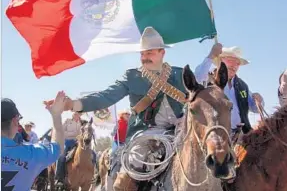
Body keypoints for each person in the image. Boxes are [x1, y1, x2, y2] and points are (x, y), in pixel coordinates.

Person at [44, 27, 187, 191]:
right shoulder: (132, 76)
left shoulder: (181, 74)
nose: (144, 58)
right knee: (133, 166)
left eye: (150, 53)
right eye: (142, 54)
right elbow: (105, 97)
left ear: (162, 53)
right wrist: (72, 104)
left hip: (179, 131)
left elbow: (202, 96)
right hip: (147, 133)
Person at [195, 44, 264, 134]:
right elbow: (197, 78)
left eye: (237, 63)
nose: (234, 66)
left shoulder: (242, 86)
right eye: (231, 61)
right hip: (215, 135)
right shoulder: (209, 79)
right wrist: (211, 55)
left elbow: (255, 109)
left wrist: (259, 101)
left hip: (241, 136)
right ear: (220, 60)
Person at [1, 92, 65, 191]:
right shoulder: (32, 153)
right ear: (14, 121)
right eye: (19, 121)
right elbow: (58, 147)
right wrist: (56, 115)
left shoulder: (32, 138)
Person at [54, 112, 82, 185]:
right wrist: (72, 134)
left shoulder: (81, 123)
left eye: (78, 114)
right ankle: (59, 178)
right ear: (73, 114)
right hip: (66, 141)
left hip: (77, 142)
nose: (77, 115)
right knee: (61, 157)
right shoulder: (67, 121)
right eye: (75, 113)